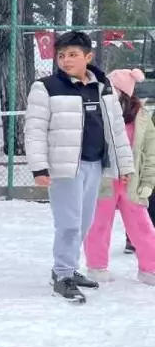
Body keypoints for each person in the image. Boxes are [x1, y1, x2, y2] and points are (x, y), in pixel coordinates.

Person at [24, 31, 133, 304]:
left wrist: (125, 164)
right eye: (61, 55)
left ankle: (70, 267)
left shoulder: (103, 86)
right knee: (69, 223)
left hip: (95, 164)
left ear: (88, 57)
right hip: (63, 169)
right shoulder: (45, 87)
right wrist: (39, 168)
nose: (66, 60)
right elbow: (34, 130)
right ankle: (62, 275)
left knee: (83, 222)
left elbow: (116, 130)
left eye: (73, 55)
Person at [83, 69, 155, 286]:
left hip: (131, 183)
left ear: (125, 93)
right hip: (104, 180)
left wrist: (147, 182)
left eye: (113, 90)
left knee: (142, 226)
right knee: (98, 225)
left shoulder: (142, 119)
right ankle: (96, 267)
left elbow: (150, 154)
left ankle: (150, 269)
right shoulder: (98, 114)